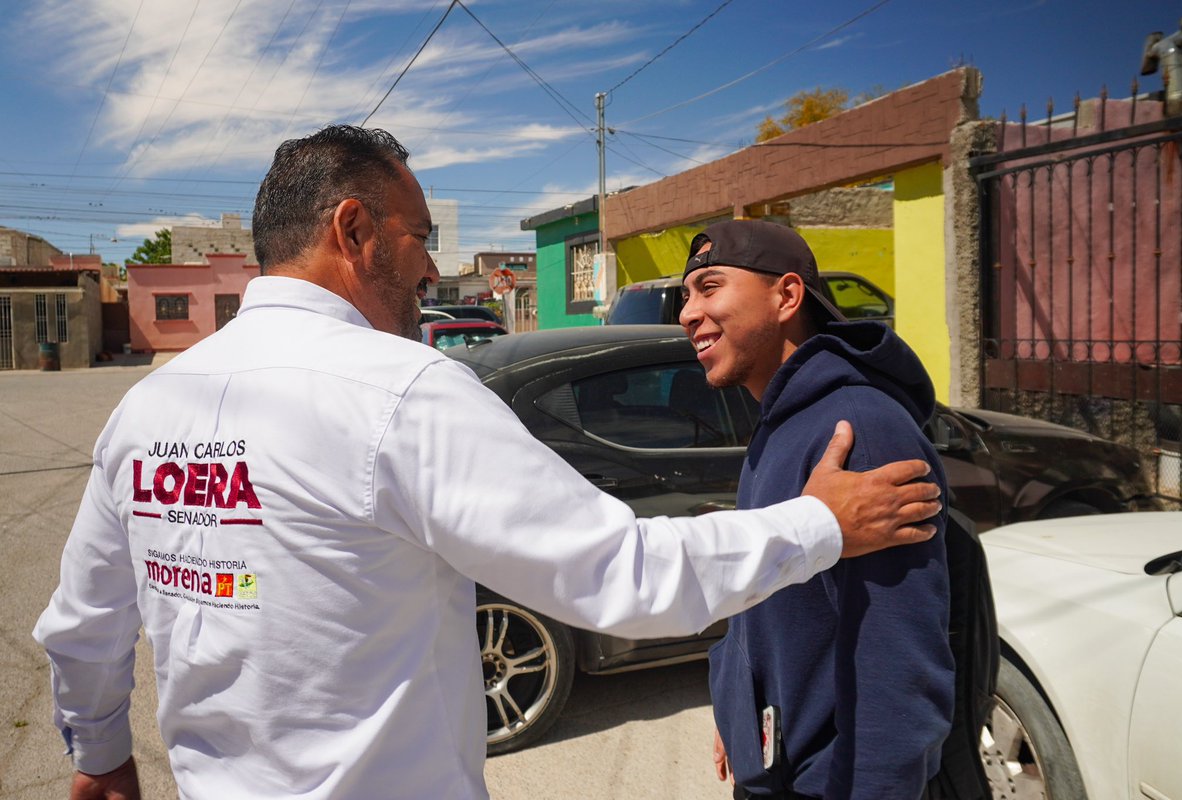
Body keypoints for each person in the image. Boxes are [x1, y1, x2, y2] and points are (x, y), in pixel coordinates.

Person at [32, 126, 941, 800]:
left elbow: (81, 628)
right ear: (353, 230)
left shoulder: (146, 409)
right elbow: (621, 577)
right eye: (419, 234)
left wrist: (103, 754)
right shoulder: (400, 392)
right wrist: (822, 523)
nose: (433, 265)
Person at [681, 220, 955, 799]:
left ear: (786, 296)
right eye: (687, 296)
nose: (687, 314)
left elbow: (901, 669)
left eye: (709, 287)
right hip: (773, 769)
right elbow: (763, 603)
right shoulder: (780, 421)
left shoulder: (861, 430)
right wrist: (739, 708)